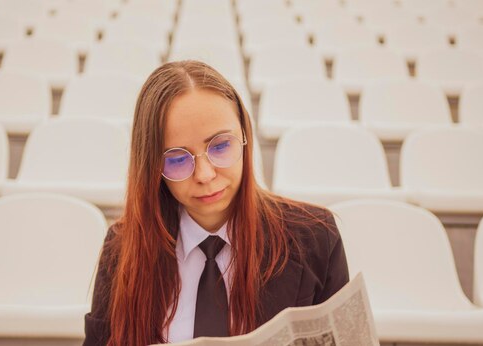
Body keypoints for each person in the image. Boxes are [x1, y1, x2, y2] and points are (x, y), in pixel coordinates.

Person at [83, 60, 349, 346]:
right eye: (177, 159)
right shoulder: (122, 247)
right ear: (151, 167)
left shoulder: (316, 237)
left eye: (221, 146)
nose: (205, 175)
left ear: (245, 137)